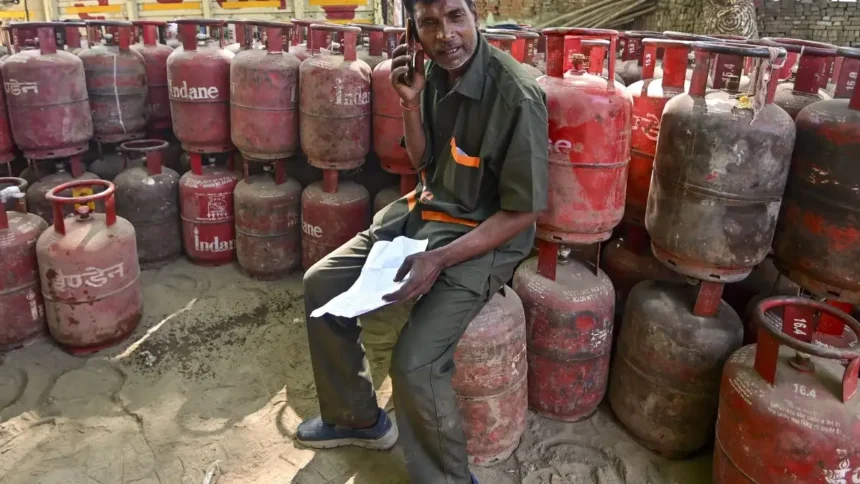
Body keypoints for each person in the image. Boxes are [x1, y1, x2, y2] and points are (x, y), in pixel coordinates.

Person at [296, 0, 549, 481]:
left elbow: (525, 210)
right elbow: (422, 161)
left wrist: (439, 260)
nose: (445, 35)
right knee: (320, 284)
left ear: (476, 16)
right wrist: (409, 102)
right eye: (429, 23)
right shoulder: (432, 75)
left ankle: (447, 478)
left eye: (456, 17)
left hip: (485, 235)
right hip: (425, 213)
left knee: (414, 364)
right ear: (414, 30)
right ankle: (357, 418)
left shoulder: (515, 95)